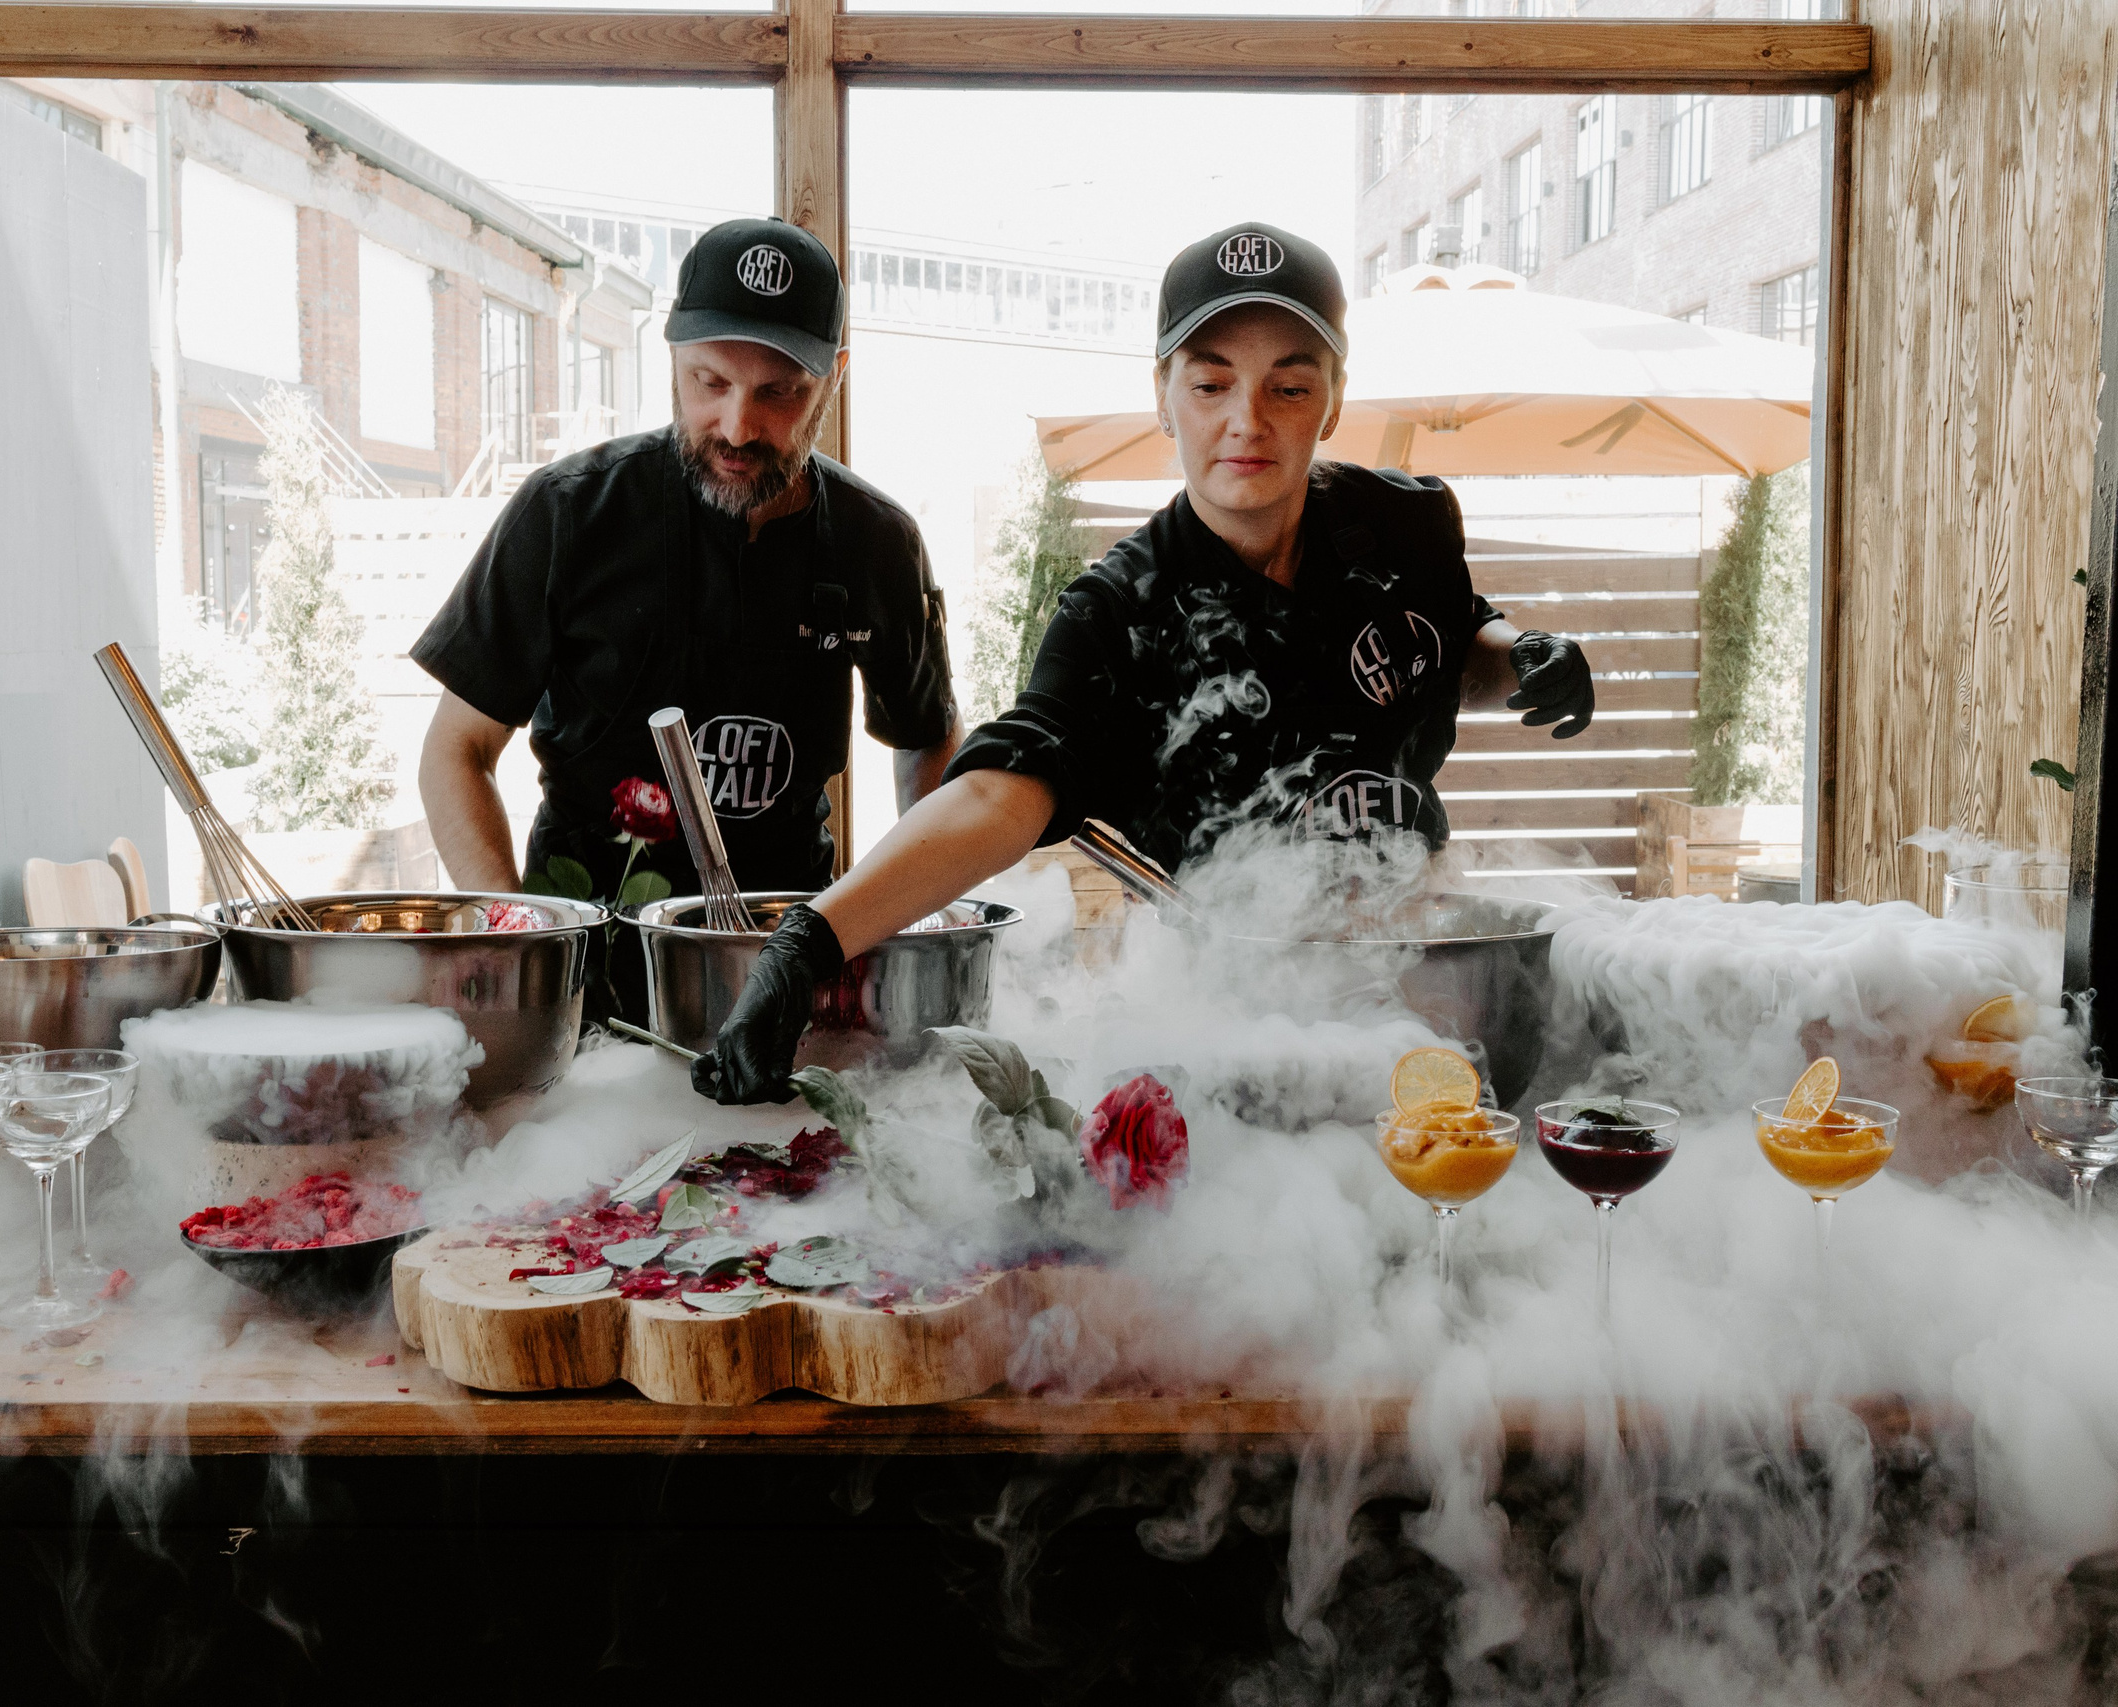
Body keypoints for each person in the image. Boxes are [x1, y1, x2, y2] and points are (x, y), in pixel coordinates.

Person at [692, 221, 1598, 1104]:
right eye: (1210, 384)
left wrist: (1520, 657)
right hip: (1242, 1025)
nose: (1247, 422)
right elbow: (1000, 793)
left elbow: (1449, 645)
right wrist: (809, 942)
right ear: (1163, 393)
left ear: (1333, 396)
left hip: (1427, 981)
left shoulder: (1407, 522)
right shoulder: (1119, 612)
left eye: (1288, 388)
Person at [411, 217, 963, 1022]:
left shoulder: (877, 541)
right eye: (710, 382)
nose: (739, 427)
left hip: (784, 969)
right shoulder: (567, 515)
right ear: (670, 354)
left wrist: (901, 919)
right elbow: (454, 753)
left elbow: (926, 742)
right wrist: (520, 945)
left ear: (833, 378)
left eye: (780, 393)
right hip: (586, 968)